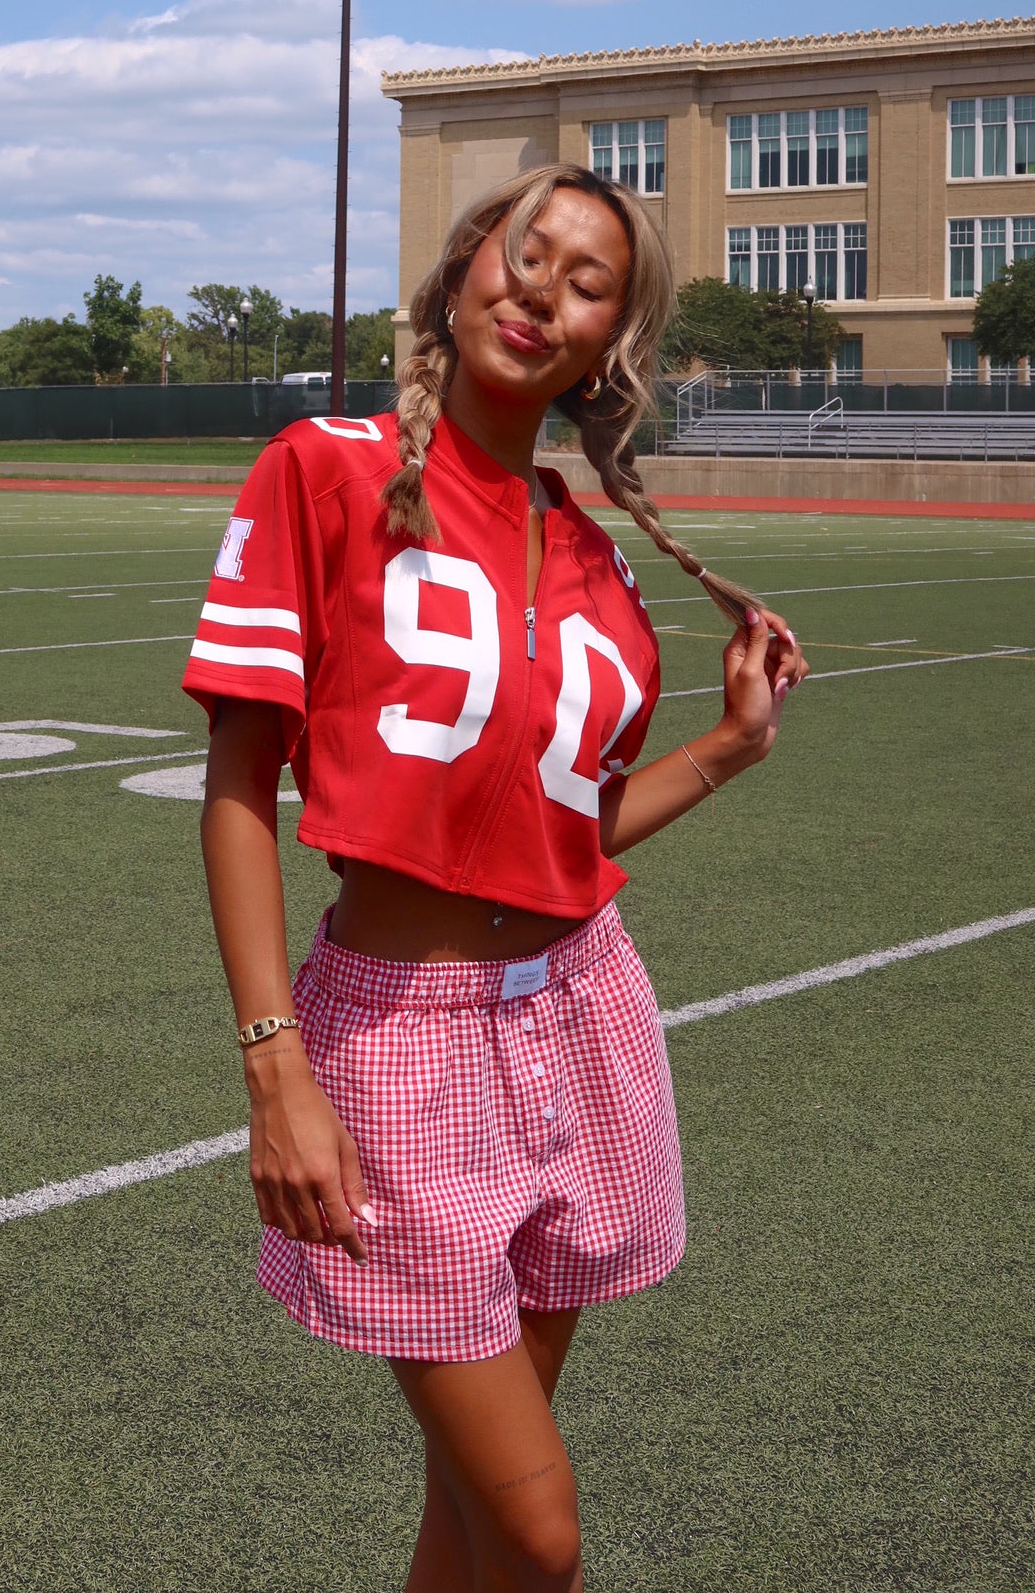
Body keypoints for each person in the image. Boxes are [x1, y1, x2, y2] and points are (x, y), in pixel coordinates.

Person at [186, 164, 808, 1593]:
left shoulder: (593, 562)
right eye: (529, 255)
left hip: (582, 1022)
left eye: (589, 285)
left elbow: (565, 836)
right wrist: (276, 1066)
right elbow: (239, 783)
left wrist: (728, 747)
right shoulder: (325, 468)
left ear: (608, 347)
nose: (545, 292)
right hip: (397, 1043)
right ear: (470, 264)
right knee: (539, 1536)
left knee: (471, 1521)